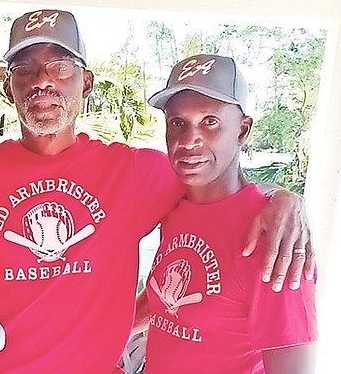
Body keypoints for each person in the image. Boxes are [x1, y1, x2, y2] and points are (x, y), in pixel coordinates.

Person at [0, 9, 315, 373]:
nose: (42, 80)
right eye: (25, 68)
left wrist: (285, 199)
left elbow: (219, 186)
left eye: (61, 67)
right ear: (9, 85)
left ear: (86, 84)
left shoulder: (137, 172)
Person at [132, 54, 317, 373]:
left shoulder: (275, 239)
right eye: (178, 123)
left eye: (210, 122)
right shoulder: (175, 205)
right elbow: (164, 303)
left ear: (242, 130)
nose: (190, 140)